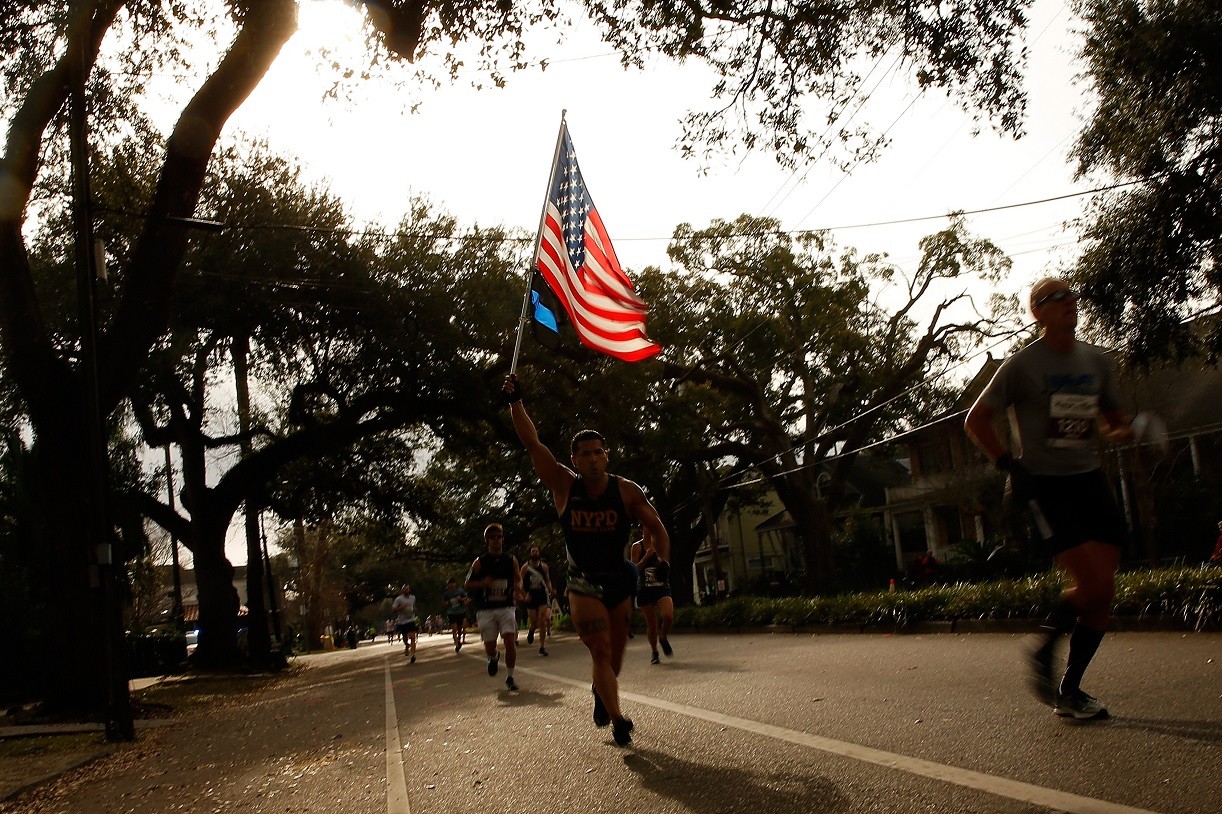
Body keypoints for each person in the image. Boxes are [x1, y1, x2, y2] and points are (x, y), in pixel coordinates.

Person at [965, 277, 1133, 721]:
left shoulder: (1096, 360)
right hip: (1045, 484)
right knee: (1094, 584)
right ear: (1037, 311)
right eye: (1055, 297)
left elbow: (1114, 420)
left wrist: (1131, 427)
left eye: (1071, 295)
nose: (1068, 302)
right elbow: (976, 421)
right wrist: (1008, 464)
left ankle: (1070, 690)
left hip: (1089, 480)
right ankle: (1043, 648)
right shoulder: (1021, 366)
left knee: (1104, 592)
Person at [504, 373, 671, 746]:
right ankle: (618, 719)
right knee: (599, 648)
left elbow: (656, 528)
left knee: (614, 657)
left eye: (599, 452)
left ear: (606, 455)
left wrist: (664, 559)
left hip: (620, 580)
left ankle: (602, 692)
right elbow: (532, 443)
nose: (593, 458)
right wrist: (516, 402)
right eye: (585, 453)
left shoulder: (627, 490)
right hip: (583, 582)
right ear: (574, 459)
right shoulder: (564, 485)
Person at [465, 523, 524, 692]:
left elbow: (518, 578)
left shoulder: (511, 560)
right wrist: (483, 583)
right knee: (490, 646)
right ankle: (493, 657)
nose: (496, 540)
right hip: (486, 609)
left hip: (506, 606)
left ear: (503, 539)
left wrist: (518, 589)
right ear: (487, 541)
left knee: (509, 641)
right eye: (492, 537)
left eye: (499, 536)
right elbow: (467, 583)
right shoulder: (479, 562)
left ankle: (510, 677)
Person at [630, 527, 675, 665]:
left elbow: (666, 564)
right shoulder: (637, 547)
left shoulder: (660, 544)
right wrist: (646, 557)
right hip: (645, 589)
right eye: (645, 525)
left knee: (668, 616)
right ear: (641, 529)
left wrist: (664, 565)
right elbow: (634, 569)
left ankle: (663, 637)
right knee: (652, 625)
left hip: (662, 587)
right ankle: (654, 652)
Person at [521, 545, 556, 656]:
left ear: (539, 553)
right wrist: (525, 594)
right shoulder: (525, 567)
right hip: (531, 596)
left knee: (542, 620)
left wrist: (550, 588)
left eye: (536, 551)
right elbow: (519, 583)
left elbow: (547, 580)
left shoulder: (544, 566)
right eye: (533, 551)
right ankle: (531, 631)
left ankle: (542, 647)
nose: (535, 552)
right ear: (530, 553)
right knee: (534, 623)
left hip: (541, 595)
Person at [391, 585, 419, 663]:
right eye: (405, 589)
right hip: (402, 621)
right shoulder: (398, 599)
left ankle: (413, 655)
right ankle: (406, 645)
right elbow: (394, 609)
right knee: (405, 637)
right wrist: (401, 608)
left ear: (409, 590)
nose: (407, 590)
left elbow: (414, 606)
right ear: (402, 590)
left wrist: (415, 609)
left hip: (411, 619)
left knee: (412, 637)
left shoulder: (413, 597)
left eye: (408, 589)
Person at [442, 578, 469, 653]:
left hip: (461, 611)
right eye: (450, 583)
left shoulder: (460, 590)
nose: (453, 585)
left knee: (461, 627)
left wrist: (462, 599)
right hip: (451, 612)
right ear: (448, 585)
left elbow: (466, 597)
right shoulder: (446, 594)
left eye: (453, 583)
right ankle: (457, 644)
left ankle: (459, 639)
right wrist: (448, 602)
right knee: (454, 629)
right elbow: (444, 603)